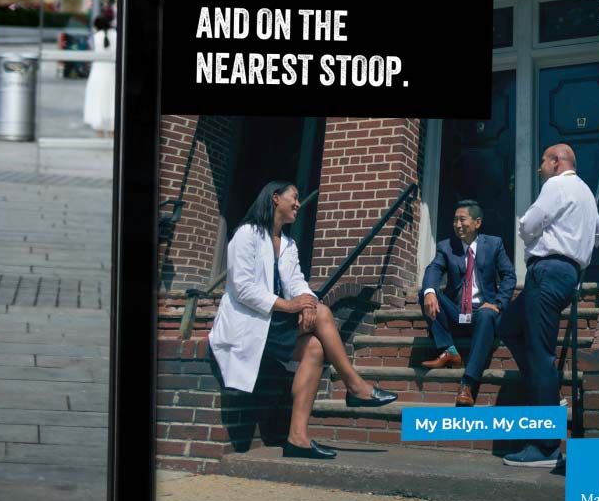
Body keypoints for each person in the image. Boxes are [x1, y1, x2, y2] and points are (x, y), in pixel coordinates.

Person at [209, 180, 396, 460]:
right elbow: (243, 288)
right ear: (275, 198)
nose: (298, 203)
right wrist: (290, 305)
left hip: (272, 323)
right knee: (323, 313)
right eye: (294, 197)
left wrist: (307, 302)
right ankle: (355, 385)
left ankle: (297, 438)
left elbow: (297, 281)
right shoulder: (247, 234)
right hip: (248, 323)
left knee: (315, 347)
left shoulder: (288, 243)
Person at [499, 143, 599, 467]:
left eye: (543, 161)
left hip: (546, 272)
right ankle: (543, 386)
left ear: (557, 162)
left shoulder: (556, 185)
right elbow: (598, 236)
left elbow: (528, 224)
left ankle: (546, 447)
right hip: (566, 275)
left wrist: (540, 238)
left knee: (541, 355)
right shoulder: (586, 193)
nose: (539, 167)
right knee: (508, 325)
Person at [419, 200, 516, 406]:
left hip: (483, 313)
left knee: (487, 314)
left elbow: (509, 276)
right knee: (427, 292)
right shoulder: (446, 247)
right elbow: (433, 269)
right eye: (455, 220)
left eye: (462, 219)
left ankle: (468, 384)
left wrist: (498, 303)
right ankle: (449, 350)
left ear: (477, 222)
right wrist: (430, 292)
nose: (457, 224)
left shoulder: (494, 244)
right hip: (456, 313)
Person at [82, 15, 116, 135]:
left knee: (98, 100)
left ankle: (99, 130)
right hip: (113, 72)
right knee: (113, 101)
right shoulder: (117, 34)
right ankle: (113, 130)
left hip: (98, 73)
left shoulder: (95, 37)